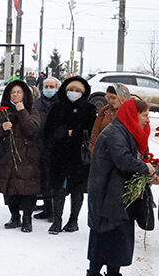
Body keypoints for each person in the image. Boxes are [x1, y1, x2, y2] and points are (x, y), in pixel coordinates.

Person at [81, 98, 158, 276]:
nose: (147, 120)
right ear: (133, 115)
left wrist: (151, 173)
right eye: (144, 116)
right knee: (104, 234)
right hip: (107, 194)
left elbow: (138, 158)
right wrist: (145, 169)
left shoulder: (128, 132)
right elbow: (124, 160)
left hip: (120, 195)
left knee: (120, 236)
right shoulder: (114, 133)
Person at [43, 76, 97, 235]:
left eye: (77, 91)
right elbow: (48, 130)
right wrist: (62, 134)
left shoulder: (89, 109)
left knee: (77, 190)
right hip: (59, 155)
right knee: (58, 189)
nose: (73, 93)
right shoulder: (57, 107)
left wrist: (76, 133)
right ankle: (57, 221)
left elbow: (91, 131)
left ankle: (73, 220)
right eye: (71, 90)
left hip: (79, 157)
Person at [0, 80, 42, 233]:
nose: (16, 95)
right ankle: (15, 217)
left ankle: (27, 219)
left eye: (19, 92)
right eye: (13, 92)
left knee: (27, 190)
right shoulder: (3, 111)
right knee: (9, 189)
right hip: (7, 157)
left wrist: (22, 111)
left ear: (24, 95)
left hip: (27, 157)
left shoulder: (32, 110)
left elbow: (32, 129)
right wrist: (2, 127)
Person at [33, 77, 60, 220]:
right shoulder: (36, 104)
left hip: (57, 147)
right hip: (40, 145)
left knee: (54, 180)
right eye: (46, 86)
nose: (49, 89)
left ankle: (54, 211)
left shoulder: (61, 103)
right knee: (44, 179)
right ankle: (47, 207)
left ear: (57, 87)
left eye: (51, 86)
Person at [89, 84, 130, 153]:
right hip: (104, 154)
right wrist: (94, 149)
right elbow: (95, 132)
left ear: (122, 97)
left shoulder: (132, 112)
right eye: (108, 98)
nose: (110, 101)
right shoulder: (105, 111)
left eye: (113, 98)